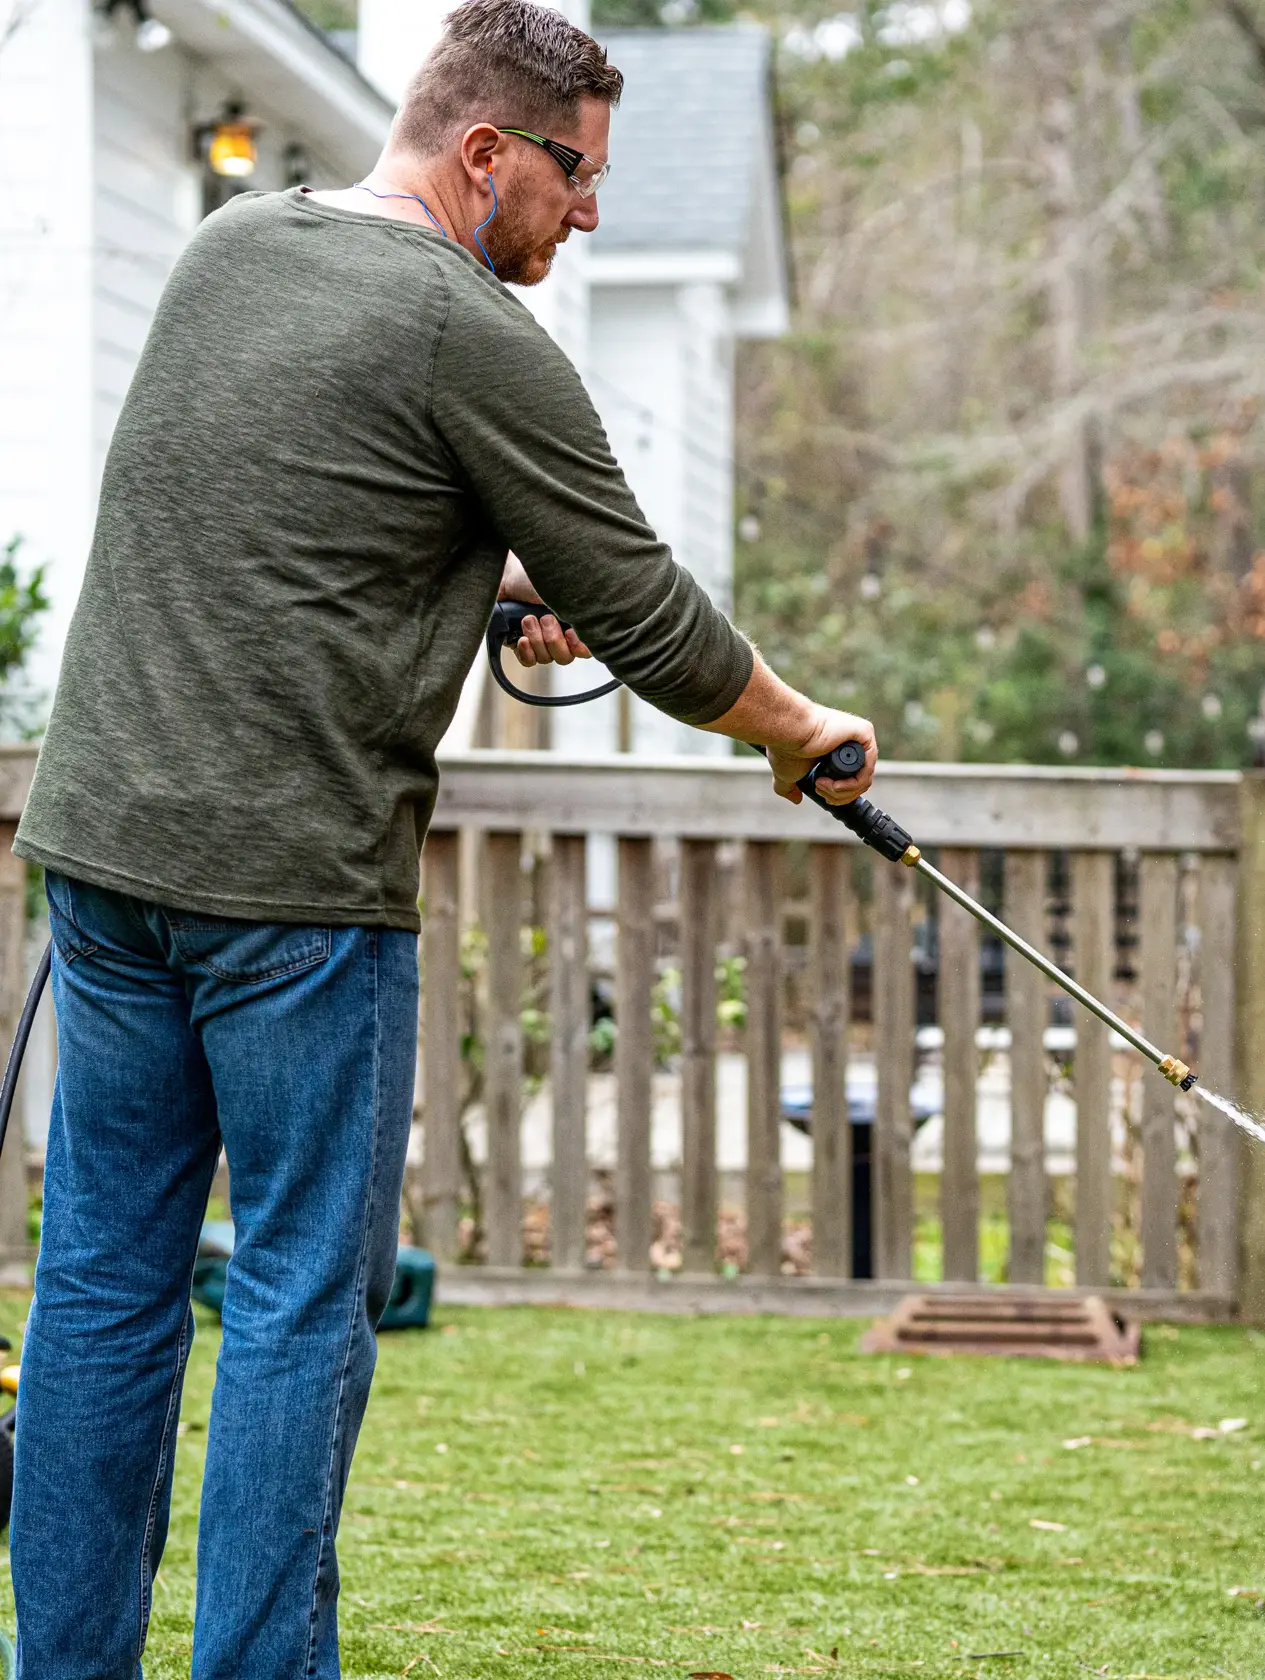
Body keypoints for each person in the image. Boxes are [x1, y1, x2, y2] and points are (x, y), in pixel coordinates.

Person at [8, 2, 876, 1672]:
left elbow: (279, 511)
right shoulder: (469, 331)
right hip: (292, 899)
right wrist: (805, 734)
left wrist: (481, 577)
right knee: (290, 1307)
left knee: (101, 1293)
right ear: (484, 155)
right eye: (576, 173)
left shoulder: (232, 246)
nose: (592, 212)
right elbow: (663, 624)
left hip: (107, 858)